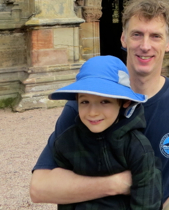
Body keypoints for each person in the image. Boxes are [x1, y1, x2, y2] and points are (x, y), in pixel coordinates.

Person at [31, 0, 169, 210]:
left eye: (155, 36)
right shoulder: (86, 106)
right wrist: (114, 184)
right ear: (123, 39)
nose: (145, 46)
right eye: (137, 35)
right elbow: (40, 187)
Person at [48, 55, 162, 210]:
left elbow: (146, 203)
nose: (93, 112)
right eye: (85, 102)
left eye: (104, 101)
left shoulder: (137, 148)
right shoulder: (66, 143)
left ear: (125, 102)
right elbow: (64, 196)